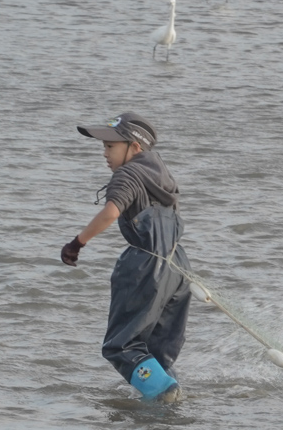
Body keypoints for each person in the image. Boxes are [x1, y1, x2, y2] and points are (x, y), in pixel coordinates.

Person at [60, 112, 189, 403]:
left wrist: (77, 243)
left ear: (135, 147)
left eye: (110, 146)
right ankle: (168, 408)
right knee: (158, 349)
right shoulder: (163, 175)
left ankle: (162, 392)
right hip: (178, 265)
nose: (104, 153)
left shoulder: (127, 175)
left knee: (121, 346)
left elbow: (111, 212)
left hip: (144, 265)